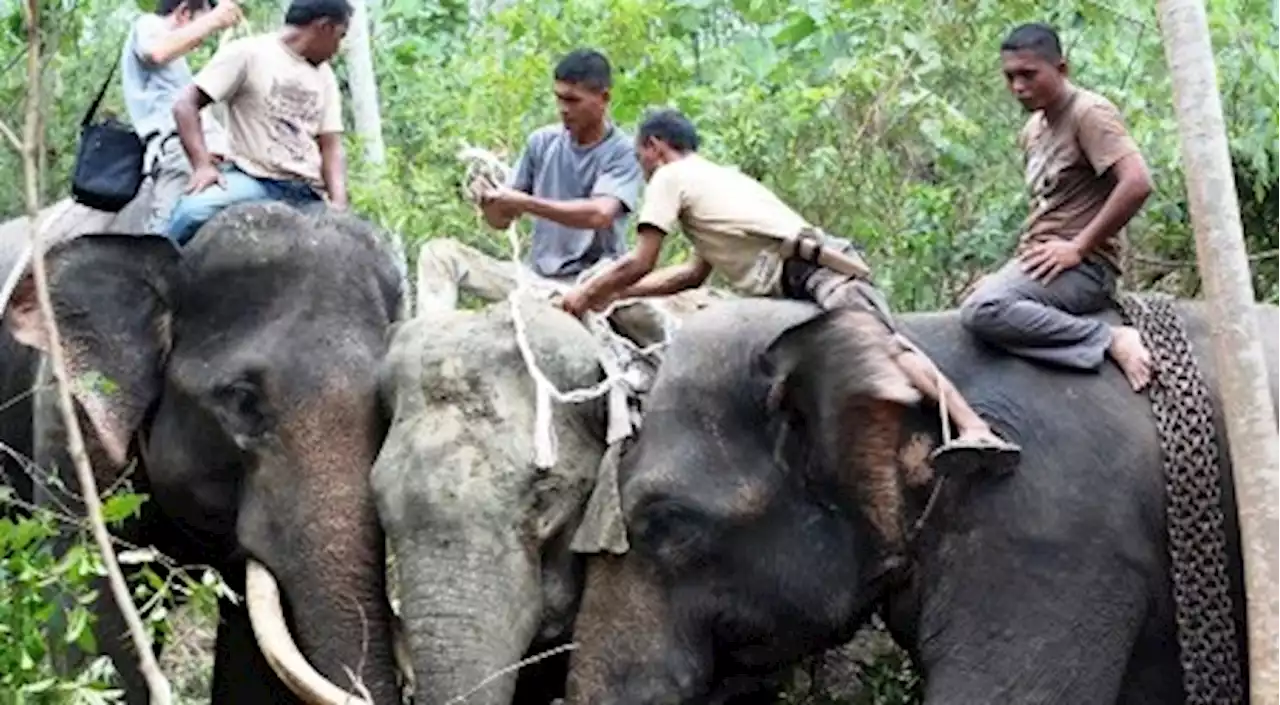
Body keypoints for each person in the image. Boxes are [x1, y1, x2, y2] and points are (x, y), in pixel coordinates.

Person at [558, 107, 1022, 583]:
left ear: (654, 146)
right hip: (807, 273)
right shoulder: (714, 179)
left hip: (815, 272)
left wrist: (586, 294)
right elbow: (692, 274)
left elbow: (641, 259)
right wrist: (620, 293)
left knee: (887, 349)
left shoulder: (670, 176)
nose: (643, 165)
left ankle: (972, 426)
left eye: (642, 156)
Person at [958, 23, 1155, 392]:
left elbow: (1138, 182)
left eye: (1029, 75)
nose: (1018, 86)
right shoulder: (1033, 129)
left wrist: (1079, 247)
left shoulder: (1089, 113)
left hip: (1085, 268)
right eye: (1010, 77)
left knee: (983, 311)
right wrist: (1006, 273)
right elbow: (1049, 210)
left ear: (1061, 69)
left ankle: (1108, 338)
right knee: (978, 297)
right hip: (1044, 262)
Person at [415, 48, 644, 314]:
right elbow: (500, 222)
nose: (563, 110)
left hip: (589, 283)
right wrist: (490, 199)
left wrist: (524, 202)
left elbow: (600, 215)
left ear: (603, 99)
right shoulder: (541, 142)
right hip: (533, 279)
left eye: (573, 101)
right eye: (559, 99)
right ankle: (432, 337)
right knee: (439, 254)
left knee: (624, 296)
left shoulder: (623, 151)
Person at [166, 0, 353, 245]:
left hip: (306, 190)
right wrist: (202, 166)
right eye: (340, 36)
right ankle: (155, 278)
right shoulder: (249, 53)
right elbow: (185, 104)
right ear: (325, 27)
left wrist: (339, 203)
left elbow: (330, 145)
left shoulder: (325, 75)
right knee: (189, 214)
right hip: (253, 180)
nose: (338, 48)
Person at [120, 0, 243, 233]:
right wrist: (215, 19)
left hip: (205, 154)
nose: (200, 40)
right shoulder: (149, 25)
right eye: (201, 25)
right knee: (163, 239)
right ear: (184, 13)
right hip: (178, 152)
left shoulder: (178, 63)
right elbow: (156, 52)